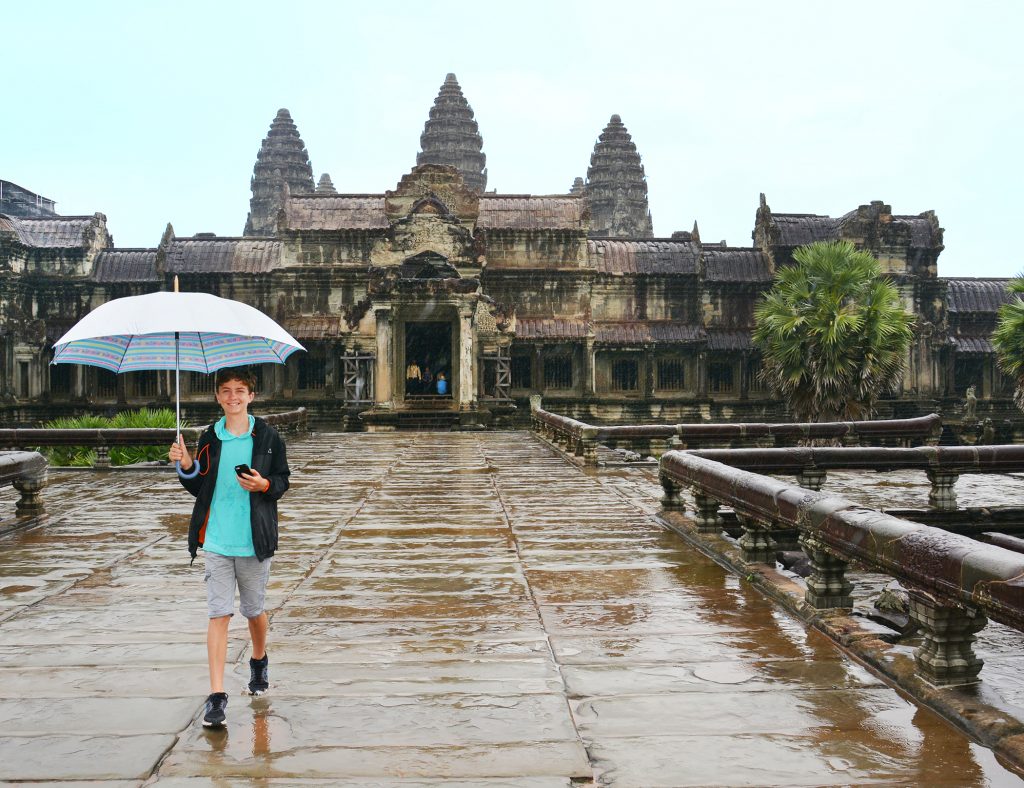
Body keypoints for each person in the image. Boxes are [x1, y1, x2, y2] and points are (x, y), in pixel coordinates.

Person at [169, 367, 290, 729]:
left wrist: (264, 484)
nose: (233, 397)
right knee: (219, 613)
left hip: (253, 539)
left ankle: (258, 659)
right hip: (218, 539)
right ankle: (217, 695)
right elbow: (200, 486)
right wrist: (188, 464)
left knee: (254, 611)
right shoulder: (210, 436)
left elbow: (283, 481)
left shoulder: (267, 436)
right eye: (226, 391)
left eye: (240, 390)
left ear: (251, 396)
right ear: (218, 397)